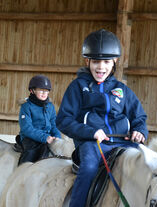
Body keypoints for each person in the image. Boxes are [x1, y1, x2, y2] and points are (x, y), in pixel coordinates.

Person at [56, 29, 148, 207]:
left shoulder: (122, 90)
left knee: (146, 166)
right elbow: (63, 120)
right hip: (92, 144)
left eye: (106, 61)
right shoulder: (78, 87)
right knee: (89, 168)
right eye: (96, 61)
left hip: (123, 142)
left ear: (114, 62)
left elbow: (139, 116)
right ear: (87, 61)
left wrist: (139, 131)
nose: (101, 67)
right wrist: (92, 132)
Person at [17, 75, 61, 165]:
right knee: (31, 153)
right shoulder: (26, 106)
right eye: (41, 90)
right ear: (32, 90)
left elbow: (53, 124)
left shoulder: (50, 106)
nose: (44, 93)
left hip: (48, 137)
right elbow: (26, 128)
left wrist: (57, 136)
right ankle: (22, 172)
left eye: (46, 91)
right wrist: (44, 137)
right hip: (30, 138)